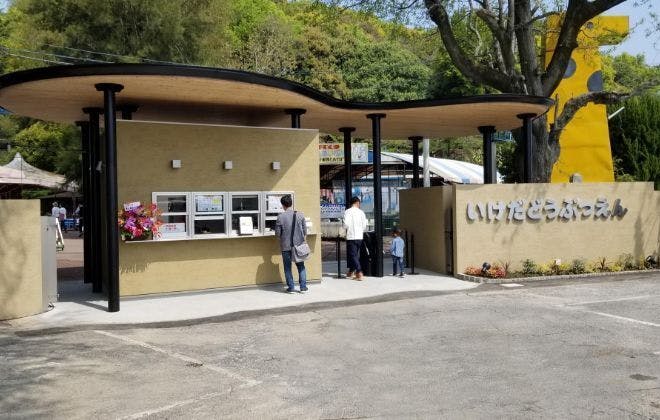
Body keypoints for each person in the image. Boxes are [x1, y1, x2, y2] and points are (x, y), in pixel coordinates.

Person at [275, 195, 308, 293]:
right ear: (291, 203)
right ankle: (303, 287)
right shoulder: (300, 215)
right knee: (301, 266)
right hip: (298, 246)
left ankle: (291, 288)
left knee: (287, 268)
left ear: (283, 205)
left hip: (286, 246)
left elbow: (277, 234)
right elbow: (305, 231)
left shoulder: (280, 217)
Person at [343, 196, 368, 280]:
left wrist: (344, 228)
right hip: (359, 236)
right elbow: (364, 226)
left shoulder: (347, 212)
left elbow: (345, 225)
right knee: (355, 255)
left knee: (353, 255)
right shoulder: (361, 212)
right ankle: (351, 271)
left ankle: (359, 272)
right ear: (357, 203)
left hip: (351, 236)